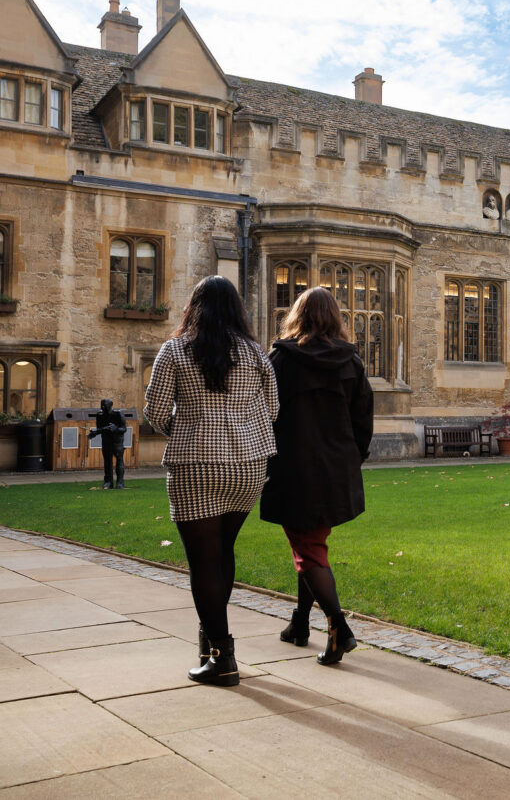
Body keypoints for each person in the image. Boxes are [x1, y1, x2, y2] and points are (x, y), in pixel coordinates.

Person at [144, 276, 278, 686]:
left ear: (194, 307)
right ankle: (210, 642)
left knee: (204, 561)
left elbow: (154, 411)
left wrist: (186, 428)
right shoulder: (255, 352)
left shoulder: (175, 350)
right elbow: (272, 408)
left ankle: (222, 658)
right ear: (237, 308)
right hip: (249, 465)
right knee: (223, 553)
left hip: (196, 463)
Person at [261, 287, 373, 665]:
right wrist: (351, 459)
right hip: (336, 468)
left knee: (308, 549)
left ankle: (339, 628)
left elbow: (266, 413)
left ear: (297, 316)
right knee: (310, 546)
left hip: (295, 468)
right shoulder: (351, 361)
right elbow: (363, 420)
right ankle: (299, 624)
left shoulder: (281, 359)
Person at [90, 399, 127, 489]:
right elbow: (100, 428)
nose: (102, 407)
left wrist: (116, 429)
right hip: (106, 441)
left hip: (117, 441)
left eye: (104, 405)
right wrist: (94, 433)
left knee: (119, 460)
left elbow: (124, 429)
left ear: (110, 405)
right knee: (107, 462)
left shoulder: (118, 414)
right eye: (101, 405)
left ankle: (120, 482)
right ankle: (108, 482)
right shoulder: (99, 415)